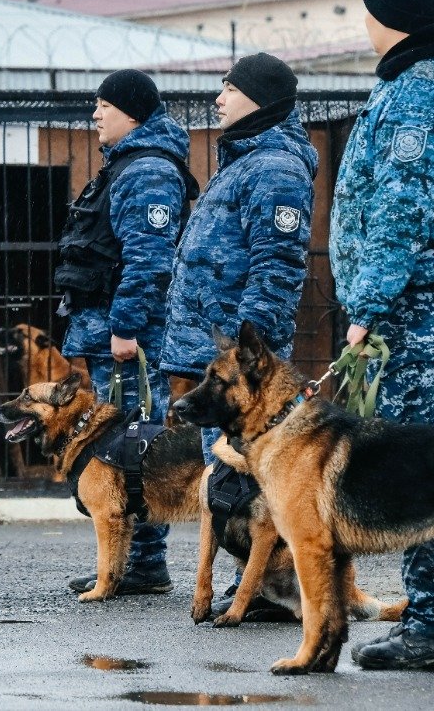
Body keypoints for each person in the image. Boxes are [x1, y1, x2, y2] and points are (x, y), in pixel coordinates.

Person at [332, 0, 434, 672]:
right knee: (416, 469)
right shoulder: (416, 86)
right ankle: (430, 622)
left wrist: (366, 308)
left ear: (388, 14)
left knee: (423, 477)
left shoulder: (419, 96)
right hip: (413, 313)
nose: (362, 23)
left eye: (367, 9)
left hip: (410, 319)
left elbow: (401, 213)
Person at [161, 52, 318, 616]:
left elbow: (277, 267)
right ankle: (252, 585)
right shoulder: (245, 161)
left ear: (261, 97)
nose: (218, 97)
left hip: (240, 366)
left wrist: (249, 361)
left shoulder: (275, 167)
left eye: (229, 87)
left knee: (252, 475)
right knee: (227, 476)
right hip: (219, 357)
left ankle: (276, 590)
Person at [55, 69, 197, 597]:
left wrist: (126, 327)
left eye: (104, 104)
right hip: (111, 334)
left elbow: (151, 258)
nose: (95, 113)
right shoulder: (125, 167)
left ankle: (143, 562)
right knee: (122, 445)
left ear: (132, 113)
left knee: (135, 446)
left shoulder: (148, 172)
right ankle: (134, 561)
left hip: (131, 340)